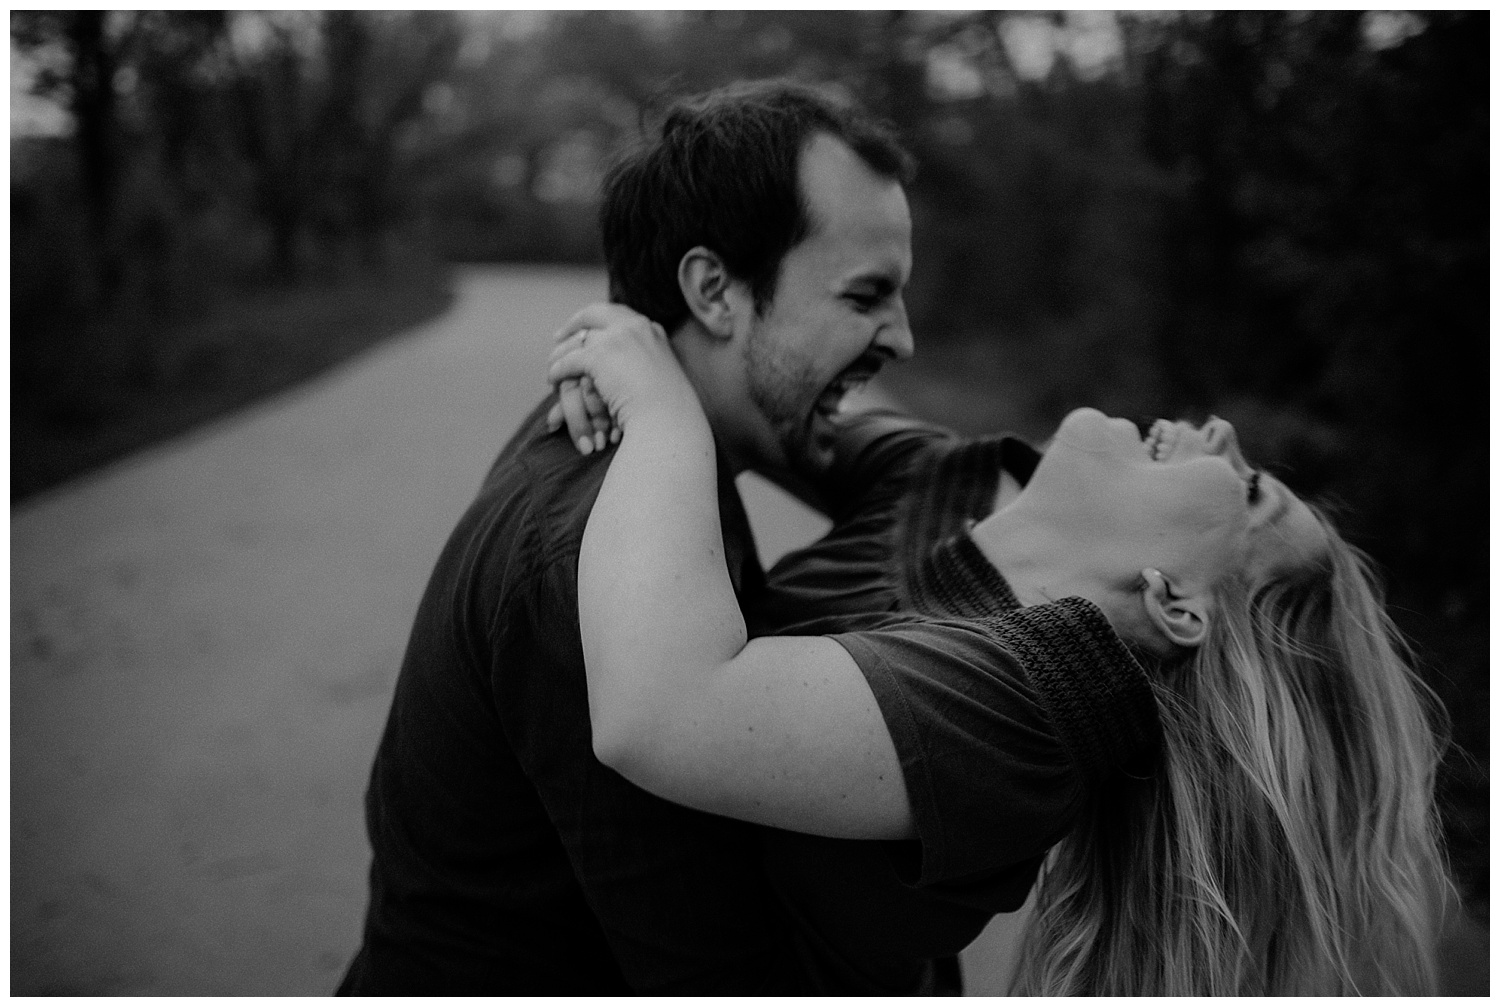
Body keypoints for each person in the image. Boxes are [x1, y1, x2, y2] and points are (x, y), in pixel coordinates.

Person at [546, 307, 1452, 996]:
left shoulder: (1029, 715)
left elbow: (660, 712)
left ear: (1173, 600)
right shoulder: (956, 478)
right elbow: (763, 404)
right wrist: (643, 348)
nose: (1220, 430)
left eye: (1250, 490)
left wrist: (658, 406)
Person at [338, 79, 934, 994]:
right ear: (714, 290)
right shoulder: (604, 557)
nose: (901, 337)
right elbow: (719, 972)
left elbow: (914, 468)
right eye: (865, 295)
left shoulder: (664, 453)